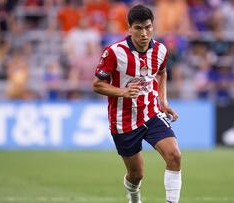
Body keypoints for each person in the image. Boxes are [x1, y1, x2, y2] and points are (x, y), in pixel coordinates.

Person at [92, 5, 182, 203]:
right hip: (122, 121)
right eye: (139, 28)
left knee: (174, 155)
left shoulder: (160, 50)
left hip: (150, 112)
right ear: (129, 29)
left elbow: (162, 72)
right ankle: (134, 198)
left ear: (153, 27)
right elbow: (97, 85)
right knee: (136, 174)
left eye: (148, 28)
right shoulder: (114, 53)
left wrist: (163, 101)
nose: (144, 33)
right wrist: (123, 92)